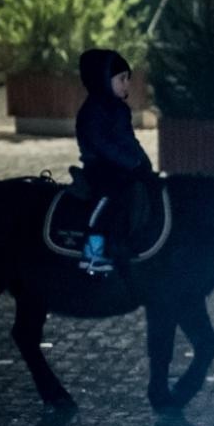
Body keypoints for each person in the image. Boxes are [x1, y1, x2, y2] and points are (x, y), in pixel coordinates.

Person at [75, 48, 154, 274]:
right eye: (121, 79)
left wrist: (143, 162)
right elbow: (102, 144)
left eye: (128, 79)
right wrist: (130, 163)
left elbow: (128, 140)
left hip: (122, 167)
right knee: (108, 199)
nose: (126, 84)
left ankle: (131, 241)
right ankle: (92, 252)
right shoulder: (93, 111)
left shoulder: (119, 109)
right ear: (102, 80)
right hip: (100, 168)